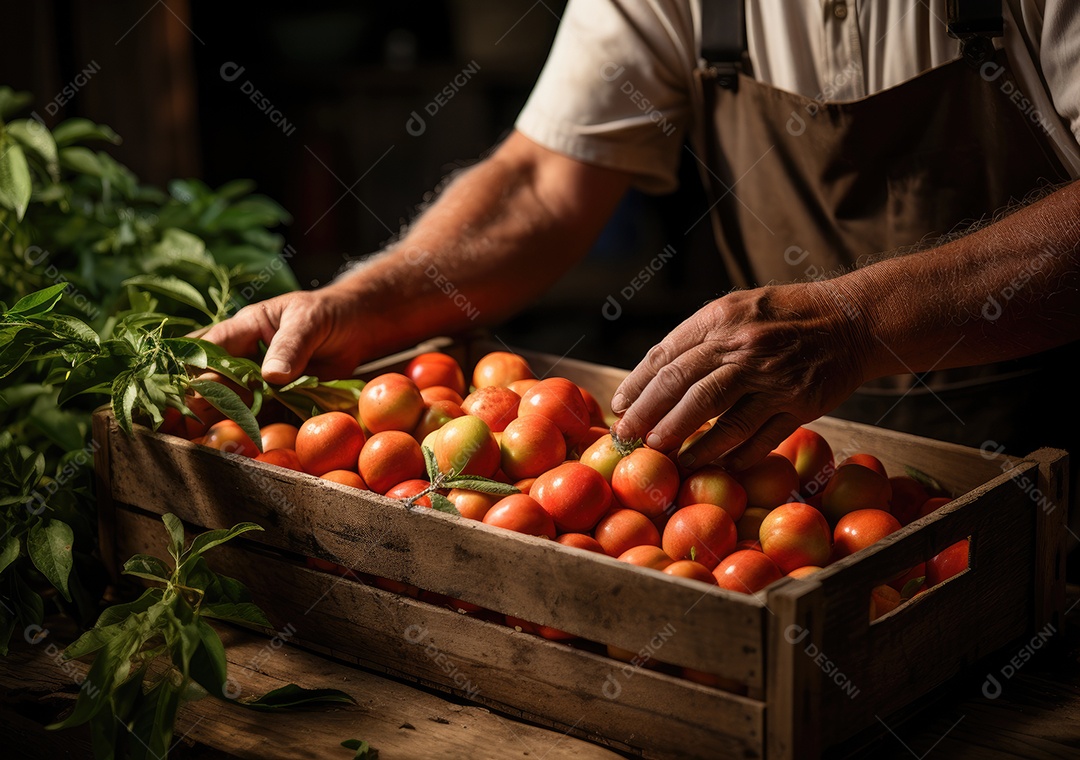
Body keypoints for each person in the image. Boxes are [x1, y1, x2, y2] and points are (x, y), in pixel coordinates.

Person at [204, 0, 1080, 473]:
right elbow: (542, 184)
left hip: (1052, 471)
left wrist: (855, 325)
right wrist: (357, 304)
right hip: (771, 480)